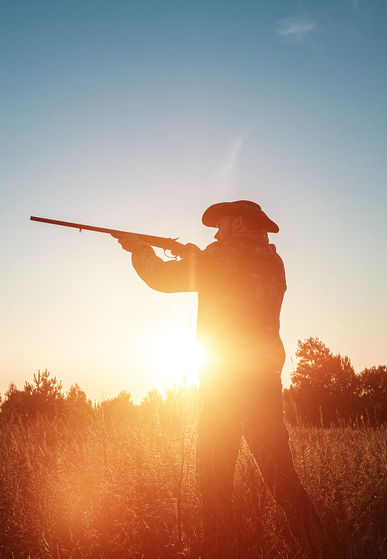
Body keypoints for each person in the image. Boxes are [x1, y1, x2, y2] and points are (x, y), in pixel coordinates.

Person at [114, 200, 326, 558]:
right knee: (281, 477)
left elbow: (162, 279)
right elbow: (232, 278)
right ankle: (324, 545)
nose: (216, 232)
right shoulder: (274, 263)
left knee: (213, 479)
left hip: (225, 381)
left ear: (239, 223)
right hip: (264, 381)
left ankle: (217, 549)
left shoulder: (219, 258)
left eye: (222, 225)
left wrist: (139, 248)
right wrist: (196, 254)